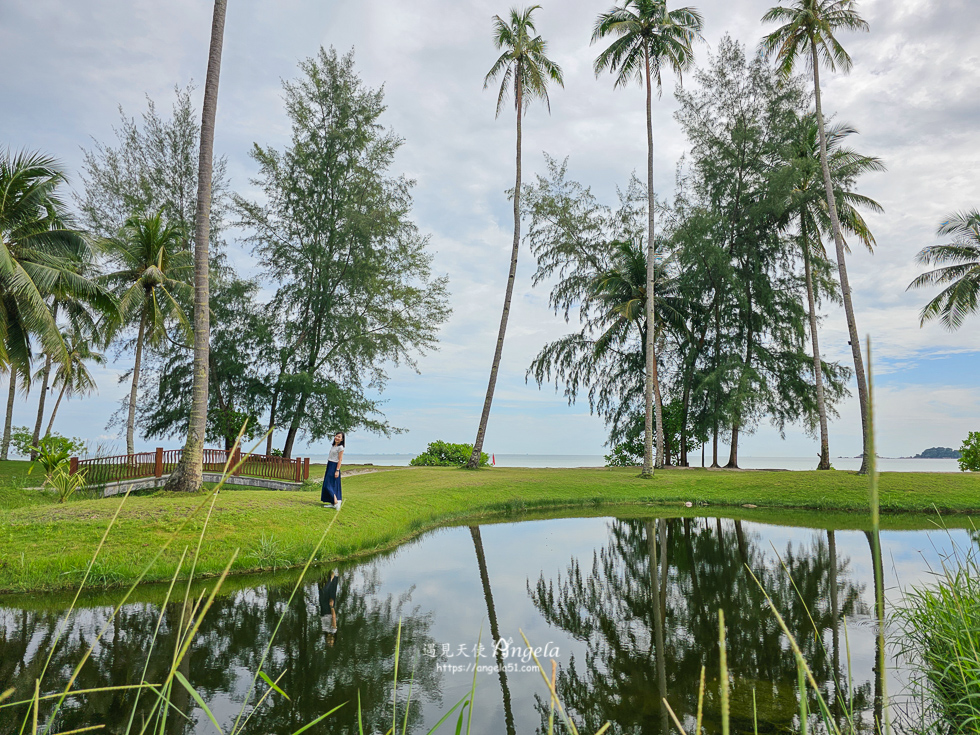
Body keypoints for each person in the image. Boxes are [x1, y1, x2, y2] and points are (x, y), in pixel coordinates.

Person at [321, 431, 345, 509]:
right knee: (328, 484)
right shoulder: (334, 446)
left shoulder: (340, 448)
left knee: (328, 485)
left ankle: (336, 502)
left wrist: (337, 470)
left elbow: (340, 460)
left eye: (339, 437)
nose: (337, 438)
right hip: (329, 464)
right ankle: (332, 502)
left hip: (334, 466)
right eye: (336, 436)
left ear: (342, 439)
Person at [318, 571, 340, 642]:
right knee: (326, 592)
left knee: (322, 592)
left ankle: (324, 575)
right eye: (331, 641)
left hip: (323, 611)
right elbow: (333, 618)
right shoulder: (333, 630)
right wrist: (332, 607)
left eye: (329, 642)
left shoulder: (325, 630)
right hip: (328, 611)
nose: (329, 640)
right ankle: (332, 577)